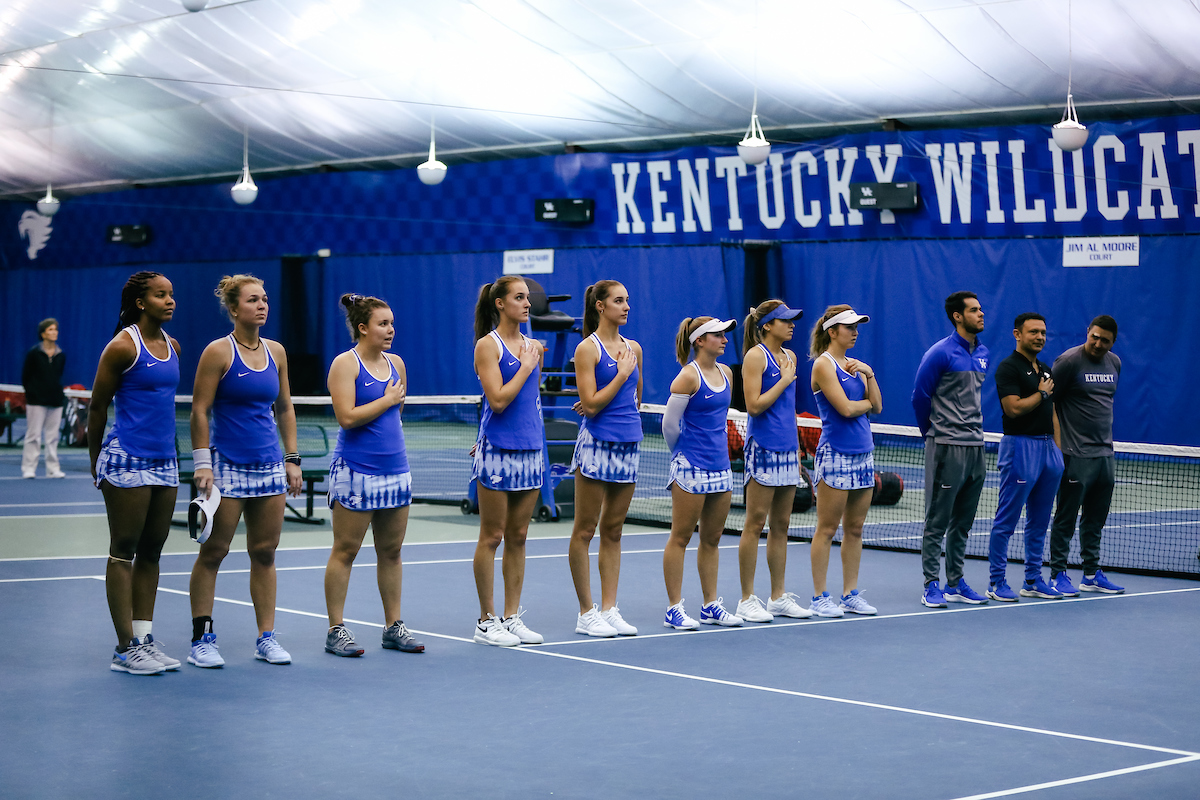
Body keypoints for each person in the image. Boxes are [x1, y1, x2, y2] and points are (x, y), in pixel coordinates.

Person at [186, 275, 305, 668]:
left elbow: (284, 407)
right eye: (253, 300)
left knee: (264, 552)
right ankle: (202, 639)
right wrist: (203, 464)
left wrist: (291, 459)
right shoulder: (218, 352)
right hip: (226, 468)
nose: (262, 305)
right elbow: (199, 409)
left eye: (265, 299)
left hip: (269, 467)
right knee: (214, 551)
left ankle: (266, 638)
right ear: (234, 308)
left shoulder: (277, 352)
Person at [321, 293, 425, 657]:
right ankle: (336, 629)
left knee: (391, 552)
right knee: (346, 551)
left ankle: (393, 626)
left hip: (396, 471)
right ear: (363, 328)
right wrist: (386, 399)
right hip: (355, 472)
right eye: (383, 324)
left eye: (392, 323)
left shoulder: (397, 364)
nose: (391, 330)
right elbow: (347, 417)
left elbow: (397, 415)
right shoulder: (344, 364)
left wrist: (389, 404)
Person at [88, 271, 181, 675]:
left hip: (165, 462)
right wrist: (96, 462)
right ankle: (124, 649)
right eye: (161, 295)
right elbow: (97, 408)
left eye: (171, 294)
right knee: (123, 550)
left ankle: (143, 639)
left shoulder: (174, 346)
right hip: (127, 460)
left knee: (152, 551)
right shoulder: (122, 347)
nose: (170, 301)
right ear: (141, 302)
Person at [471, 277, 546, 646]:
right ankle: (486, 621)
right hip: (498, 453)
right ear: (500, 303)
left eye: (527, 298)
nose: (527, 303)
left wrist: (530, 361)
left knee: (519, 536)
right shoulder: (488, 345)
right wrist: (526, 366)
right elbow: (498, 400)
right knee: (493, 536)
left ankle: (511, 616)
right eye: (519, 297)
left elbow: (530, 402)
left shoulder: (534, 346)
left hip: (531, 450)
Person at [567, 281, 643, 637]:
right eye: (618, 301)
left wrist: (610, 391)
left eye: (627, 300)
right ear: (600, 306)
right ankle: (587, 612)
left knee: (613, 530)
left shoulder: (634, 348)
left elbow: (634, 400)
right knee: (585, 530)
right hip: (596, 446)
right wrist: (620, 375)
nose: (626, 306)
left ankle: (610, 608)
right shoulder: (587, 349)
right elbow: (593, 405)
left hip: (629, 445)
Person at [662, 316, 743, 629]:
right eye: (717, 335)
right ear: (699, 340)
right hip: (690, 468)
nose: (724, 340)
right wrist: (683, 454)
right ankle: (673, 608)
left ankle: (710, 606)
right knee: (681, 537)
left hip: (721, 468)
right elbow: (669, 425)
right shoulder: (687, 377)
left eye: (724, 335)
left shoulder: (727, 373)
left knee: (712, 538)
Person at [912, 291, 990, 608]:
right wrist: (931, 433)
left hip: (976, 447)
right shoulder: (939, 354)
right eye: (973, 310)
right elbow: (920, 396)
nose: (980, 314)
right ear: (957, 316)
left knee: (963, 523)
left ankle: (955, 583)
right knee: (937, 521)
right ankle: (931, 584)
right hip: (945, 445)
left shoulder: (983, 353)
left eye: (980, 309)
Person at [735, 300, 812, 623]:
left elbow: (787, 409)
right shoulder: (755, 357)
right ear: (767, 325)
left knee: (781, 525)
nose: (792, 325)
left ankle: (777, 597)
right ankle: (746, 599)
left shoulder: (790, 357)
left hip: (787, 450)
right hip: (763, 448)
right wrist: (783, 380)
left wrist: (797, 449)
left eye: (792, 320)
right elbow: (753, 406)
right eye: (785, 320)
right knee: (755, 524)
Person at [809, 305, 882, 617]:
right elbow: (847, 409)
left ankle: (850, 595)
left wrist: (869, 373)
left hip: (864, 454)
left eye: (856, 327)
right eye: (849, 327)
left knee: (855, 528)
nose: (855, 332)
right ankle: (819, 597)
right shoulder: (823, 365)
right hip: (835, 455)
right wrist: (863, 402)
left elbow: (877, 406)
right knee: (827, 528)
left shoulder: (858, 366)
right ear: (832, 332)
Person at [986, 313, 1065, 602]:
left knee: (1040, 521)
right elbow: (1013, 409)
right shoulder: (1008, 368)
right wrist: (1041, 394)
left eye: (1043, 332)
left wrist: (1057, 451)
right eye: (1033, 332)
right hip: (1020, 448)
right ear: (1017, 334)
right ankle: (997, 582)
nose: (1040, 337)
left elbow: (1052, 412)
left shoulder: (1046, 370)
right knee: (1006, 519)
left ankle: (1033, 580)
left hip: (1048, 451)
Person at [1047, 316, 1125, 595]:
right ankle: (1057, 574)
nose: (1098, 343)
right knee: (1066, 518)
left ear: (1113, 342)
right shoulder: (1068, 361)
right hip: (1074, 454)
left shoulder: (1114, 363)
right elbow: (1048, 402)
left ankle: (1091, 574)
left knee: (1095, 519)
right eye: (1095, 337)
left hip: (1104, 454)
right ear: (1088, 332)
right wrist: (1058, 446)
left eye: (1105, 340)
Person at [21, 318, 67, 479]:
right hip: (36, 401)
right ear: (43, 334)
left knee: (52, 437)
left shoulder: (61, 355)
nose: (54, 332)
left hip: (55, 401)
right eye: (50, 330)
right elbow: (26, 377)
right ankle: (29, 468)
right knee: (33, 436)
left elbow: (58, 375)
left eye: (55, 329)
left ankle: (53, 468)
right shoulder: (34, 353)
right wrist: (33, 394)